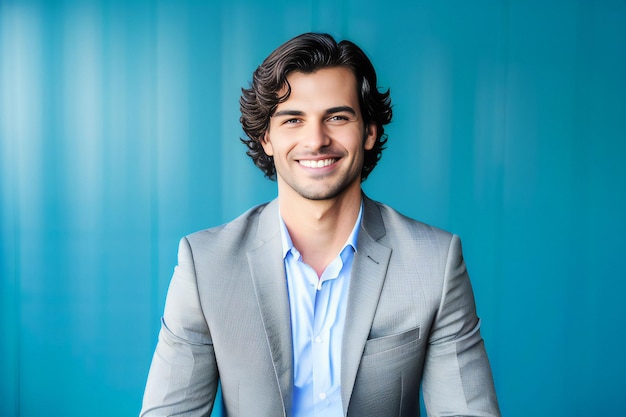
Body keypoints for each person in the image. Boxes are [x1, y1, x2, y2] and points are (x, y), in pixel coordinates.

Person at [140, 32, 500, 417]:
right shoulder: (207, 264)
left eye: (337, 117)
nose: (316, 140)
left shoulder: (434, 263)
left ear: (369, 131)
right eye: (293, 119)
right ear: (266, 138)